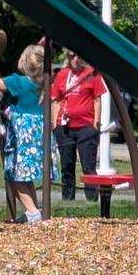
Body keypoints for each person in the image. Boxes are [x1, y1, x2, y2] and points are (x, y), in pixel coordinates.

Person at [0, 44, 48, 224]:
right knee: (26, 176)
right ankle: (34, 210)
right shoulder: (45, 83)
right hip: (39, 136)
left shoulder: (19, 82)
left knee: (13, 175)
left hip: (21, 137)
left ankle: (32, 213)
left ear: (24, 63)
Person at [51, 50, 107, 201]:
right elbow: (56, 100)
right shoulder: (61, 75)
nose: (75, 59)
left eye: (77, 55)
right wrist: (55, 124)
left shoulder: (92, 74)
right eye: (71, 56)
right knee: (66, 165)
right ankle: (68, 198)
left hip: (86, 127)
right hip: (64, 128)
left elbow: (97, 99)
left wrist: (96, 123)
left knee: (88, 166)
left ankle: (92, 198)